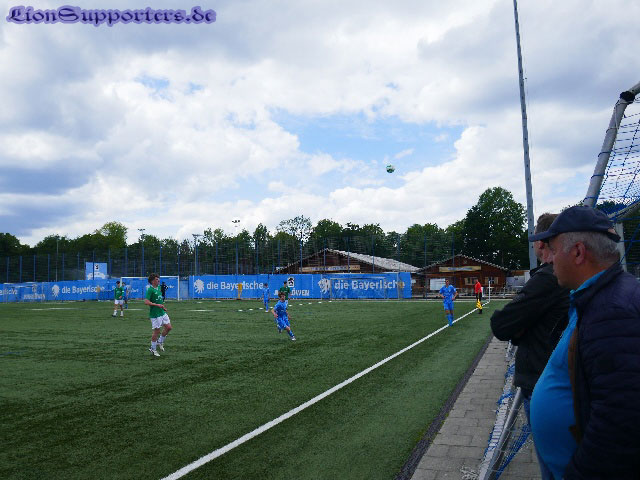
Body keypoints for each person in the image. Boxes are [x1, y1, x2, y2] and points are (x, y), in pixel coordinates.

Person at [528, 205, 640, 479]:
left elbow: (621, 421)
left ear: (578, 252)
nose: (550, 260)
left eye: (554, 250)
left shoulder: (614, 311)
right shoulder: (600, 296)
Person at [490, 213, 569, 479]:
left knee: (554, 467)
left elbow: (502, 325)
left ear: (541, 242)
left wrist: (521, 326)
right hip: (552, 380)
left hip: (543, 384)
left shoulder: (549, 278)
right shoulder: (559, 277)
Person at [144, 273, 173, 357]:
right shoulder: (150, 290)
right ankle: (153, 349)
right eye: (157, 279)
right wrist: (157, 305)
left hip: (162, 312)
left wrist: (162, 306)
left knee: (169, 327)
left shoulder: (159, 288)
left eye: (158, 279)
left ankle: (160, 342)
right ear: (152, 281)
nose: (159, 280)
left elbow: (159, 299)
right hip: (155, 314)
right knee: (157, 331)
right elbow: (146, 302)